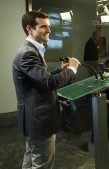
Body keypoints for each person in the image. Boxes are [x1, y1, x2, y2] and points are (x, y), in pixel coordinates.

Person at [13, 11, 80, 168]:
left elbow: (40, 81)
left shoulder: (31, 50)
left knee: (31, 159)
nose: (49, 30)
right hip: (40, 120)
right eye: (43, 26)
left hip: (34, 119)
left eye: (49, 26)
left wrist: (59, 70)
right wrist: (72, 69)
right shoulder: (28, 54)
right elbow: (49, 83)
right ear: (30, 29)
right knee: (41, 163)